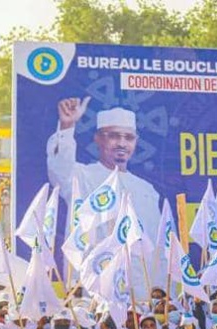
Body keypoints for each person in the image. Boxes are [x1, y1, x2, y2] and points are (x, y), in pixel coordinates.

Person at [46, 100, 160, 297]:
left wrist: (160, 293)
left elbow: (157, 248)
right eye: (114, 136)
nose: (122, 144)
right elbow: (59, 164)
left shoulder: (146, 190)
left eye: (128, 137)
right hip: (93, 290)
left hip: (139, 293)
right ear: (98, 139)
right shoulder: (80, 176)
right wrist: (67, 126)